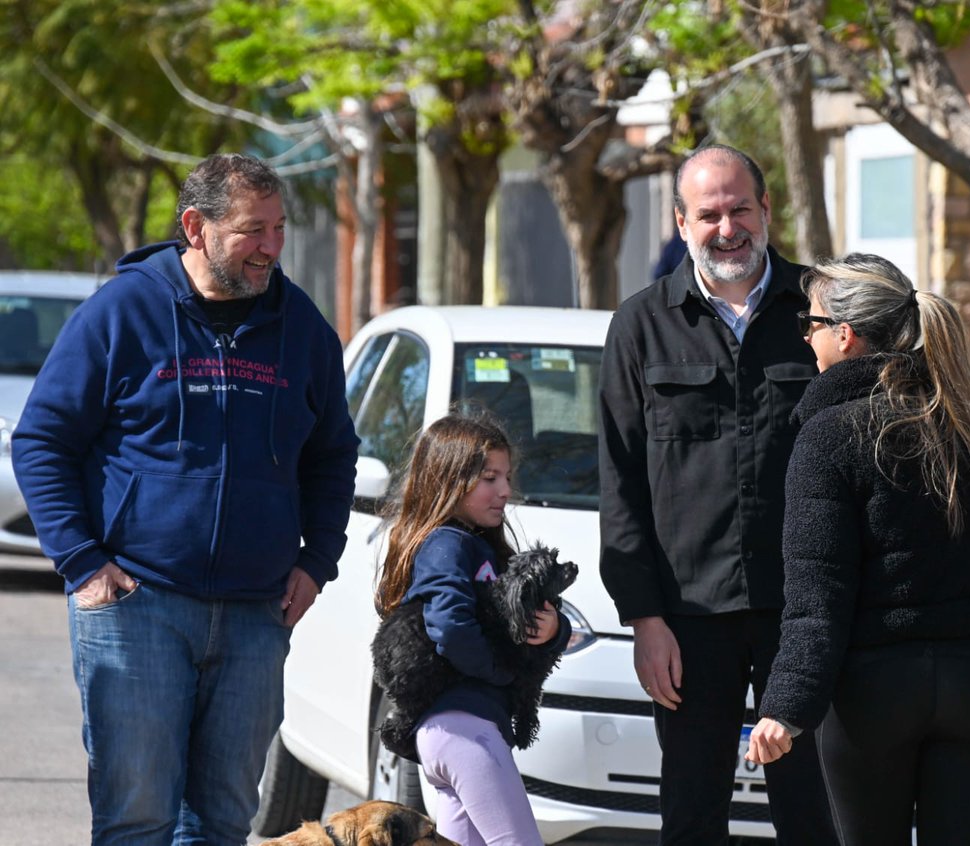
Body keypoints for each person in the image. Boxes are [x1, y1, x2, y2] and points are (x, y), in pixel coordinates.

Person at [11, 153, 360, 845]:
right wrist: (81, 561)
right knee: (137, 816)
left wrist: (317, 560)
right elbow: (42, 440)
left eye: (279, 228)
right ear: (195, 227)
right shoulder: (122, 311)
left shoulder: (303, 329)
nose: (270, 247)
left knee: (222, 820)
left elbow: (332, 457)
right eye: (251, 230)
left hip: (256, 614)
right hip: (136, 605)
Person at [746, 254, 970, 846]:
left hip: (876, 691)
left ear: (845, 335)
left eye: (813, 322)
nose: (806, 335)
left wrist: (785, 706)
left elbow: (816, 597)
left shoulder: (829, 436)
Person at [598, 144, 834, 844]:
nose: (726, 228)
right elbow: (620, 483)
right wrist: (644, 619)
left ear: (766, 210)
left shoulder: (821, 313)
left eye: (739, 209)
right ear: (680, 223)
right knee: (693, 814)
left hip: (805, 611)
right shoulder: (639, 326)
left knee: (816, 811)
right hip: (688, 619)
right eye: (709, 214)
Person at [375, 413, 571, 846]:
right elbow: (450, 626)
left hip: (452, 734)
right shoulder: (448, 543)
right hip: (466, 730)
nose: (504, 490)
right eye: (489, 478)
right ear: (447, 480)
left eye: (506, 476)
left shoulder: (478, 546)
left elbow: (516, 619)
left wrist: (555, 627)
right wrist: (501, 674)